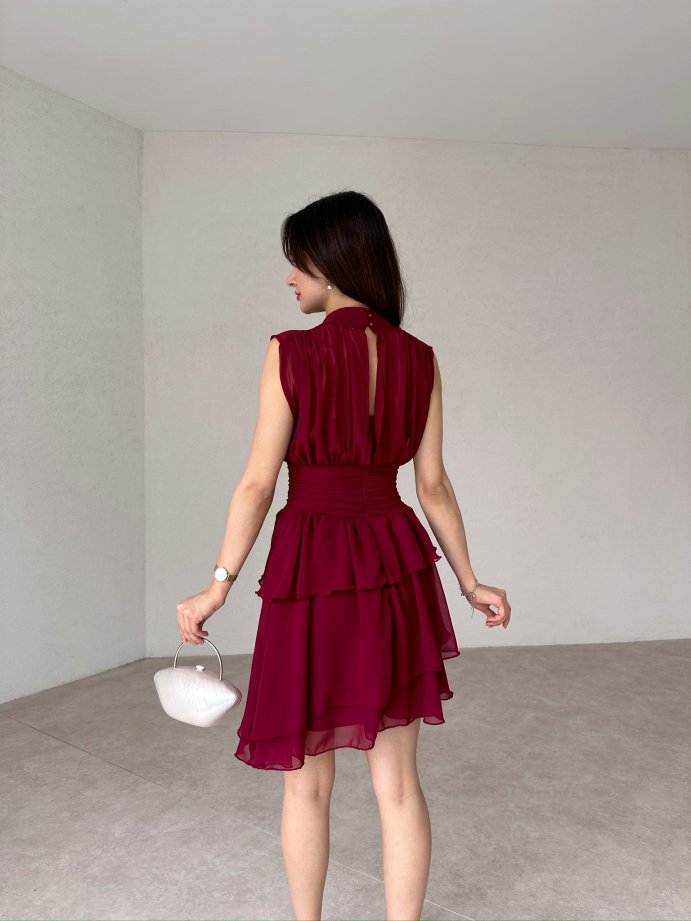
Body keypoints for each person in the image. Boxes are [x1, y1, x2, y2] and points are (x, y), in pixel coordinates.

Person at [176, 190, 511, 921]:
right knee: (399, 785)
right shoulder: (419, 359)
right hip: (393, 561)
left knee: (306, 782)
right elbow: (432, 484)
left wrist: (217, 585)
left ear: (328, 264)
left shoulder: (291, 351)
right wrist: (469, 581)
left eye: (296, 262)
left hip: (313, 565)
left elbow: (258, 482)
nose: (290, 277)